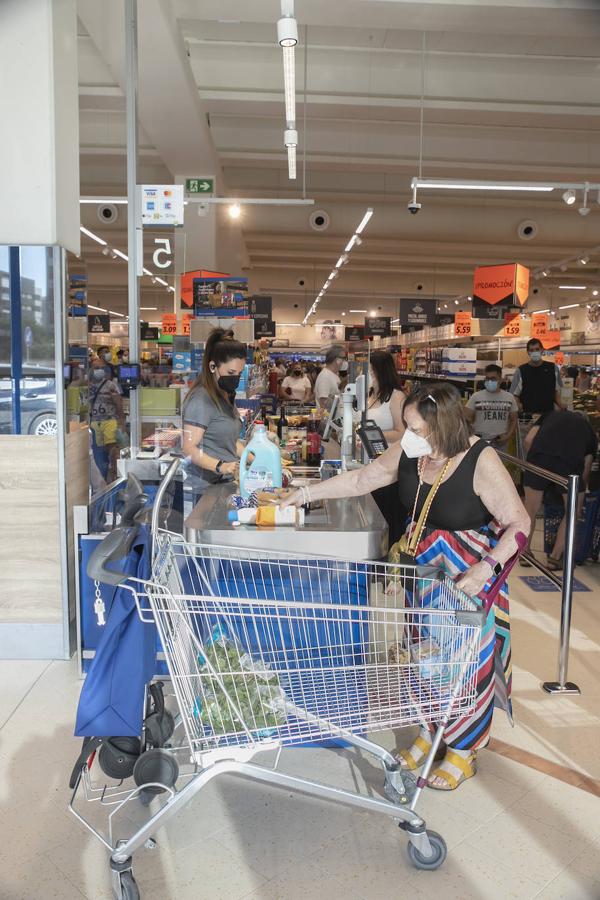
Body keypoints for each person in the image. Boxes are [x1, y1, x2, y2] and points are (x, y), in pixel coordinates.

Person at [281, 382, 529, 791]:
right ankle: (430, 731)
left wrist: (486, 569)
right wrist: (305, 493)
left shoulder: (479, 459)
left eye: (417, 428)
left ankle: (464, 749)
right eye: (408, 426)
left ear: (443, 426)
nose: (409, 435)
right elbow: (363, 480)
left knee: (465, 662)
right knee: (422, 656)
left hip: (466, 576)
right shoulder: (414, 451)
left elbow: (520, 523)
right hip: (422, 572)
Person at [521, 410, 597, 569]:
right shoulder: (589, 432)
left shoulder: (550, 415)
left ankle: (524, 552)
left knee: (530, 508)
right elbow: (586, 470)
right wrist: (579, 491)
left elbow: (528, 441)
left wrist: (533, 463)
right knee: (572, 512)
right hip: (569, 464)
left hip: (539, 457)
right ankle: (555, 558)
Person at [181, 328, 247, 508]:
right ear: (212, 367)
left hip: (223, 485)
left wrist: (254, 457)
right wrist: (221, 466)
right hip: (203, 490)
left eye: (239, 373)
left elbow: (227, 440)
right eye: (231, 373)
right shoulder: (201, 399)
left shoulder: (224, 395)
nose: (235, 378)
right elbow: (188, 448)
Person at [89, 357, 125, 482]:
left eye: (101, 368)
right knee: (98, 453)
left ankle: (114, 474)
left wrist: (121, 421)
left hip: (109, 420)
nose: (99, 370)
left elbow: (119, 404)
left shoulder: (111, 385)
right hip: (94, 423)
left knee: (112, 449)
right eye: (96, 368)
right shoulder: (87, 385)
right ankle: (102, 478)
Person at [465, 364, 518, 448]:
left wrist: (508, 435)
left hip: (500, 441)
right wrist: (473, 436)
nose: (489, 381)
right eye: (487, 378)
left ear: (500, 379)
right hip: (480, 440)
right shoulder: (476, 396)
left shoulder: (509, 397)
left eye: (493, 379)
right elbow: (466, 419)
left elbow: (514, 419)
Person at [510, 338, 563, 414]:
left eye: (537, 349)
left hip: (549, 414)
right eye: (531, 350)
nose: (534, 352)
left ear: (542, 350)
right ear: (528, 352)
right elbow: (514, 394)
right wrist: (518, 405)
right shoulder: (521, 370)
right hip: (528, 414)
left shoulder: (553, 368)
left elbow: (557, 391)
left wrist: (561, 404)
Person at [367, 350, 406, 444]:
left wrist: (371, 435)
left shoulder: (396, 396)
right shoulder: (368, 393)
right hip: (365, 450)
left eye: (371, 370)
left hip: (386, 451)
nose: (368, 373)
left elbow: (401, 433)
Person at [314, 346, 345, 410]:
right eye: (343, 358)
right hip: (328, 416)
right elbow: (323, 403)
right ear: (337, 360)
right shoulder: (325, 377)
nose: (344, 361)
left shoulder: (332, 374)